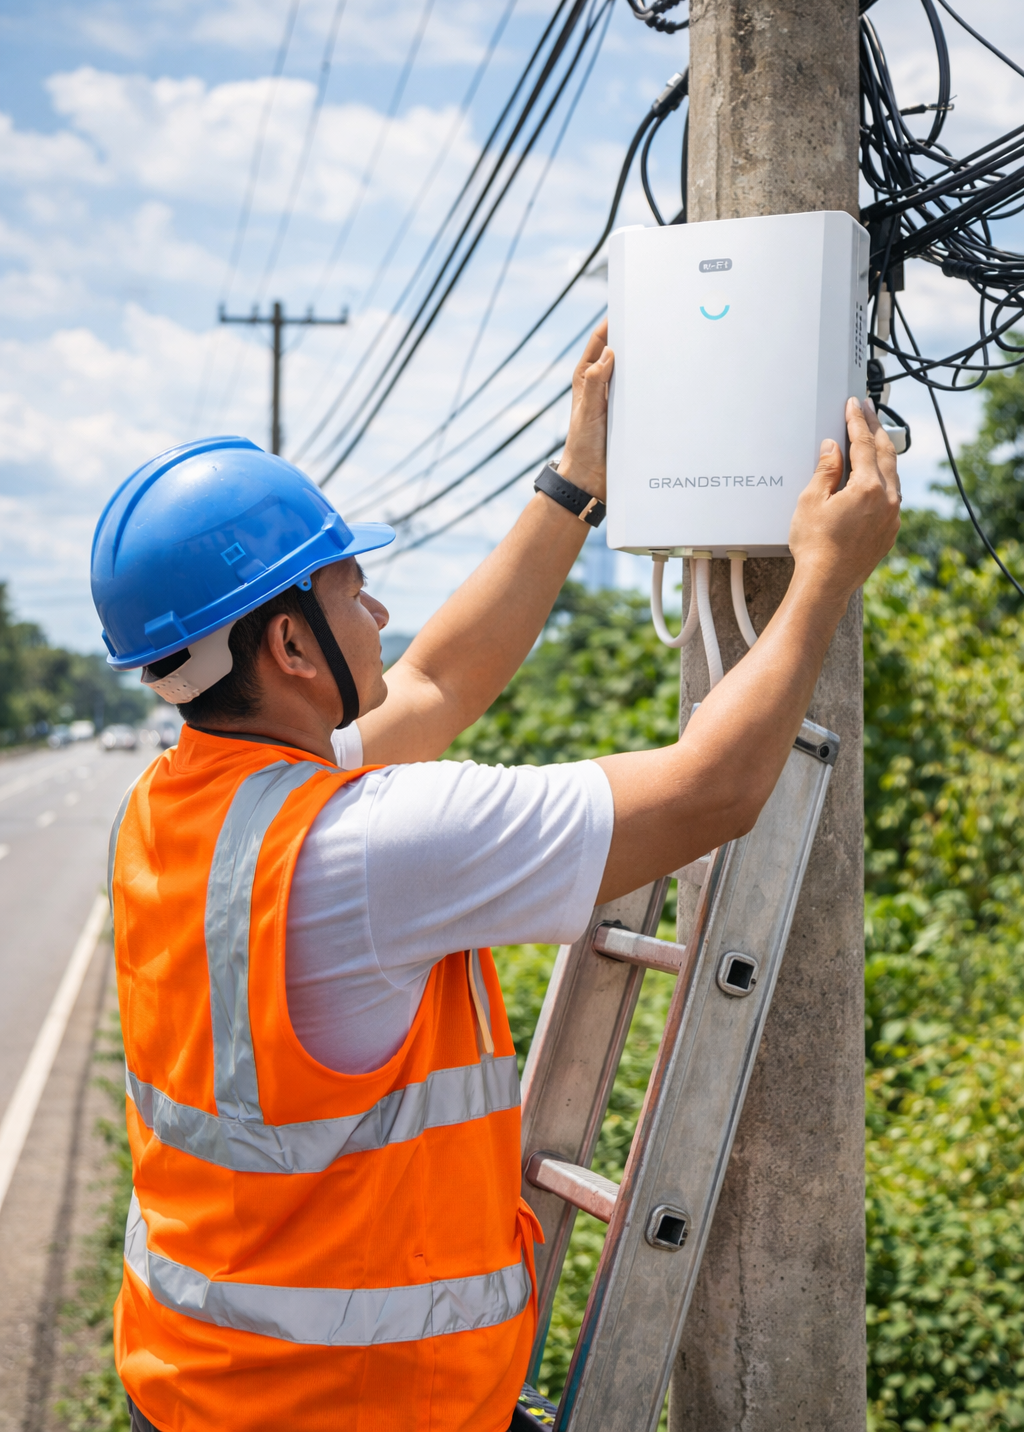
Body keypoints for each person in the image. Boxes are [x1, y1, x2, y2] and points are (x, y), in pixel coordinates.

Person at [92, 322, 900, 1432]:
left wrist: (574, 484)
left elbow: (434, 682)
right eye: (351, 590)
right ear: (287, 648)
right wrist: (822, 574)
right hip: (353, 1410)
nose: (377, 616)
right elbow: (713, 789)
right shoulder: (366, 847)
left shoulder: (180, 805)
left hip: (198, 1387)